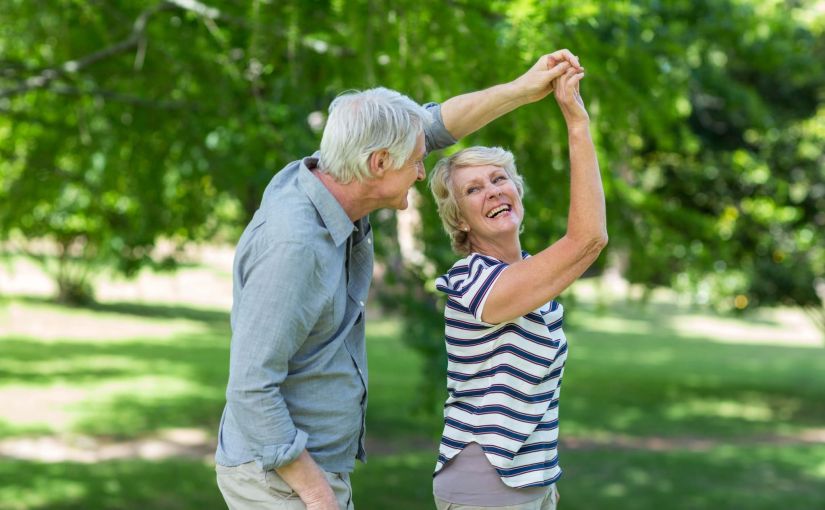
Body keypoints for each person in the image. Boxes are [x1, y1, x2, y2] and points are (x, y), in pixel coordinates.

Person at [214, 50, 584, 510]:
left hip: (313, 468)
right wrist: (316, 495)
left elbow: (435, 125)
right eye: (414, 160)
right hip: (278, 476)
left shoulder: (333, 172)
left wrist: (521, 89)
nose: (422, 169)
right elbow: (251, 389)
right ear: (378, 164)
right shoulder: (295, 245)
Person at [428, 61, 606, 509]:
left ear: (516, 190)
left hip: (533, 481)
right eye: (472, 190)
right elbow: (589, 239)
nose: (492, 191)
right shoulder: (470, 281)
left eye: (498, 178)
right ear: (460, 221)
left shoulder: (529, 274)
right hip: (485, 483)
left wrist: (544, 485)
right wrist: (576, 120)